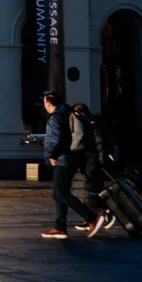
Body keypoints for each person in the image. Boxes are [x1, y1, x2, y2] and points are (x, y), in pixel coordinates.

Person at [41, 92, 103, 239]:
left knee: (62, 193)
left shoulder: (56, 117)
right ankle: (60, 227)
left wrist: (50, 155)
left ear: (49, 103)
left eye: (44, 102)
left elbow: (54, 138)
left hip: (61, 159)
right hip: (72, 158)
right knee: (58, 193)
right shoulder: (69, 112)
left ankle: (91, 218)